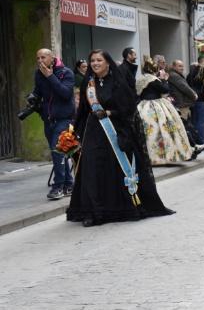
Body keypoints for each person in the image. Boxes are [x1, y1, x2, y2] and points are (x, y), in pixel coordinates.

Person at [67, 50, 173, 226]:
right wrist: (74, 132)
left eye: (99, 60)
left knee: (112, 169)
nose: (95, 63)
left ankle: (116, 208)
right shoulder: (89, 82)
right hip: (93, 132)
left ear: (107, 62)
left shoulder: (118, 82)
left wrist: (109, 112)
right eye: (92, 60)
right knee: (92, 169)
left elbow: (128, 108)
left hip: (114, 130)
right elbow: (84, 110)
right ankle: (94, 212)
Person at [33, 49, 76, 200]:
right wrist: (33, 98)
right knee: (58, 153)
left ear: (52, 58)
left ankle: (58, 187)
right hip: (49, 120)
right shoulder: (38, 74)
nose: (40, 60)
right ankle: (69, 184)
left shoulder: (66, 73)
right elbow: (38, 92)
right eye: (37, 58)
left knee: (58, 151)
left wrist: (50, 76)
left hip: (65, 119)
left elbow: (65, 93)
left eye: (43, 57)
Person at [135, 57, 193, 165]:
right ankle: (165, 156)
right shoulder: (153, 79)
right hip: (156, 105)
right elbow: (165, 90)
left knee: (148, 133)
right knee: (165, 130)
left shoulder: (140, 79)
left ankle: (149, 157)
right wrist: (164, 80)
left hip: (143, 106)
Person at [167, 59, 201, 156]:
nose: (182, 68)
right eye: (179, 66)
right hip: (181, 105)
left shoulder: (175, 75)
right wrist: (194, 95)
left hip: (183, 104)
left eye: (182, 66)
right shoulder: (174, 76)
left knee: (187, 127)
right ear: (173, 66)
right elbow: (184, 87)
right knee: (185, 128)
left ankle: (192, 148)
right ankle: (193, 147)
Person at [188, 57, 204, 149]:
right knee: (201, 121)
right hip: (201, 99)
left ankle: (198, 141)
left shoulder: (192, 70)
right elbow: (202, 82)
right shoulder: (201, 70)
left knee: (196, 121)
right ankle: (201, 141)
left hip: (195, 99)